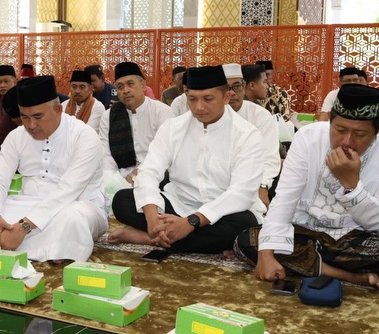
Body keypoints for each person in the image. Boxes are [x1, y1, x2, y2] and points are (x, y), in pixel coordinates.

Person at [235, 84, 379, 290]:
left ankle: (305, 263)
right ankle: (347, 275)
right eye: (340, 130)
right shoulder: (308, 138)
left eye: (360, 134)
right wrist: (266, 252)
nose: (347, 141)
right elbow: (285, 198)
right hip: (302, 230)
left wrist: (352, 186)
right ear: (330, 123)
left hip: (351, 238)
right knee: (245, 241)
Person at [111, 66, 264, 253]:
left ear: (226, 98)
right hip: (178, 204)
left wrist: (191, 222)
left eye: (208, 99)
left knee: (244, 223)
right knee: (122, 200)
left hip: (221, 213)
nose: (199, 107)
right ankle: (174, 237)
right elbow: (149, 171)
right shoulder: (173, 127)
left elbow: (241, 194)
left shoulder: (247, 135)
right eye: (192, 99)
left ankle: (147, 239)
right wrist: (152, 218)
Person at [0, 76, 107, 263]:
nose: (30, 125)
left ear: (57, 109)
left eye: (38, 116)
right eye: (24, 117)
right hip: (26, 203)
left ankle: (13, 242)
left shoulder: (85, 136)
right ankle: (52, 249)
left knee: (74, 220)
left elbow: (68, 190)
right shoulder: (16, 136)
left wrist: (23, 228)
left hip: (76, 204)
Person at [98, 62, 172, 196]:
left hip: (154, 174)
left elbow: (163, 154)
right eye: (120, 87)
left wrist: (135, 176)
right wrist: (111, 180)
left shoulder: (162, 111)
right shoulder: (108, 115)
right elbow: (106, 154)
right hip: (119, 175)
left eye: (130, 84)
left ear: (143, 85)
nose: (125, 90)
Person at [222, 63, 281, 208]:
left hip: (253, 181)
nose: (233, 93)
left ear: (244, 87)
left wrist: (263, 186)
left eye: (237, 86)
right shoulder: (210, 116)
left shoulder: (260, 116)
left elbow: (269, 157)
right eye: (226, 88)